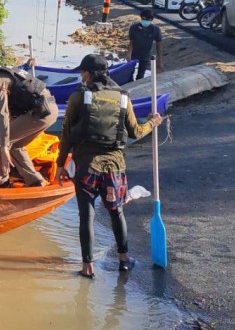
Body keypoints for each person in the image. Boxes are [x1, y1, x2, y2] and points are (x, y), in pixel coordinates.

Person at [55, 54, 163, 278]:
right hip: (114, 168)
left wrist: (60, 164)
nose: (81, 76)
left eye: (82, 72)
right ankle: (124, 261)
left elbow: (66, 134)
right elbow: (136, 132)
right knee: (116, 212)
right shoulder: (123, 97)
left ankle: (88, 267)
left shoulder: (79, 96)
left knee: (87, 216)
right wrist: (153, 122)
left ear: (88, 73)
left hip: (86, 167)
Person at [0, 62, 57, 188]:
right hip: (49, 110)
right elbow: (11, 112)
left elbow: (3, 113)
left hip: (41, 112)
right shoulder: (3, 72)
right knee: (16, 145)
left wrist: (3, 145)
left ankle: (0, 182)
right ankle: (35, 180)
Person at [127, 10, 163, 80]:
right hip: (134, 54)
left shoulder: (155, 30)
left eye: (147, 19)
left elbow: (159, 45)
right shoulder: (134, 28)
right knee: (129, 74)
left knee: (140, 76)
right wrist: (129, 53)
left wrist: (160, 61)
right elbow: (131, 42)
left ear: (151, 20)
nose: (145, 21)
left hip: (145, 56)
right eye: (143, 19)